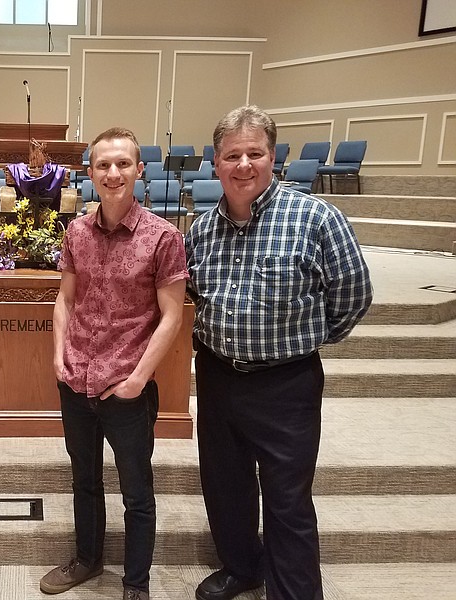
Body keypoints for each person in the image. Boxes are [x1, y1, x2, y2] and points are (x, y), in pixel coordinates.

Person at [185, 105, 373, 600]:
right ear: (216, 162)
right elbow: (195, 298)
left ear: (274, 158)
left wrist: (306, 340)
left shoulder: (318, 218)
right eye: (232, 155)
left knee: (287, 499)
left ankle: (293, 592)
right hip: (219, 376)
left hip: (285, 384)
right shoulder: (201, 230)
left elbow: (353, 295)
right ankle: (242, 567)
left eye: (255, 153)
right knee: (225, 486)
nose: (243, 165)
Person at [40, 127, 189, 600]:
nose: (113, 173)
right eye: (103, 164)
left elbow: (171, 317)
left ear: (139, 170)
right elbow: (65, 300)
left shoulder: (163, 237)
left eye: (123, 163)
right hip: (77, 383)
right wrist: (59, 355)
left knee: (136, 493)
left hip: (128, 388)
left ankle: (136, 583)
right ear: (90, 174)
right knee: (84, 480)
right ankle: (87, 559)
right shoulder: (76, 232)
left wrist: (137, 379)